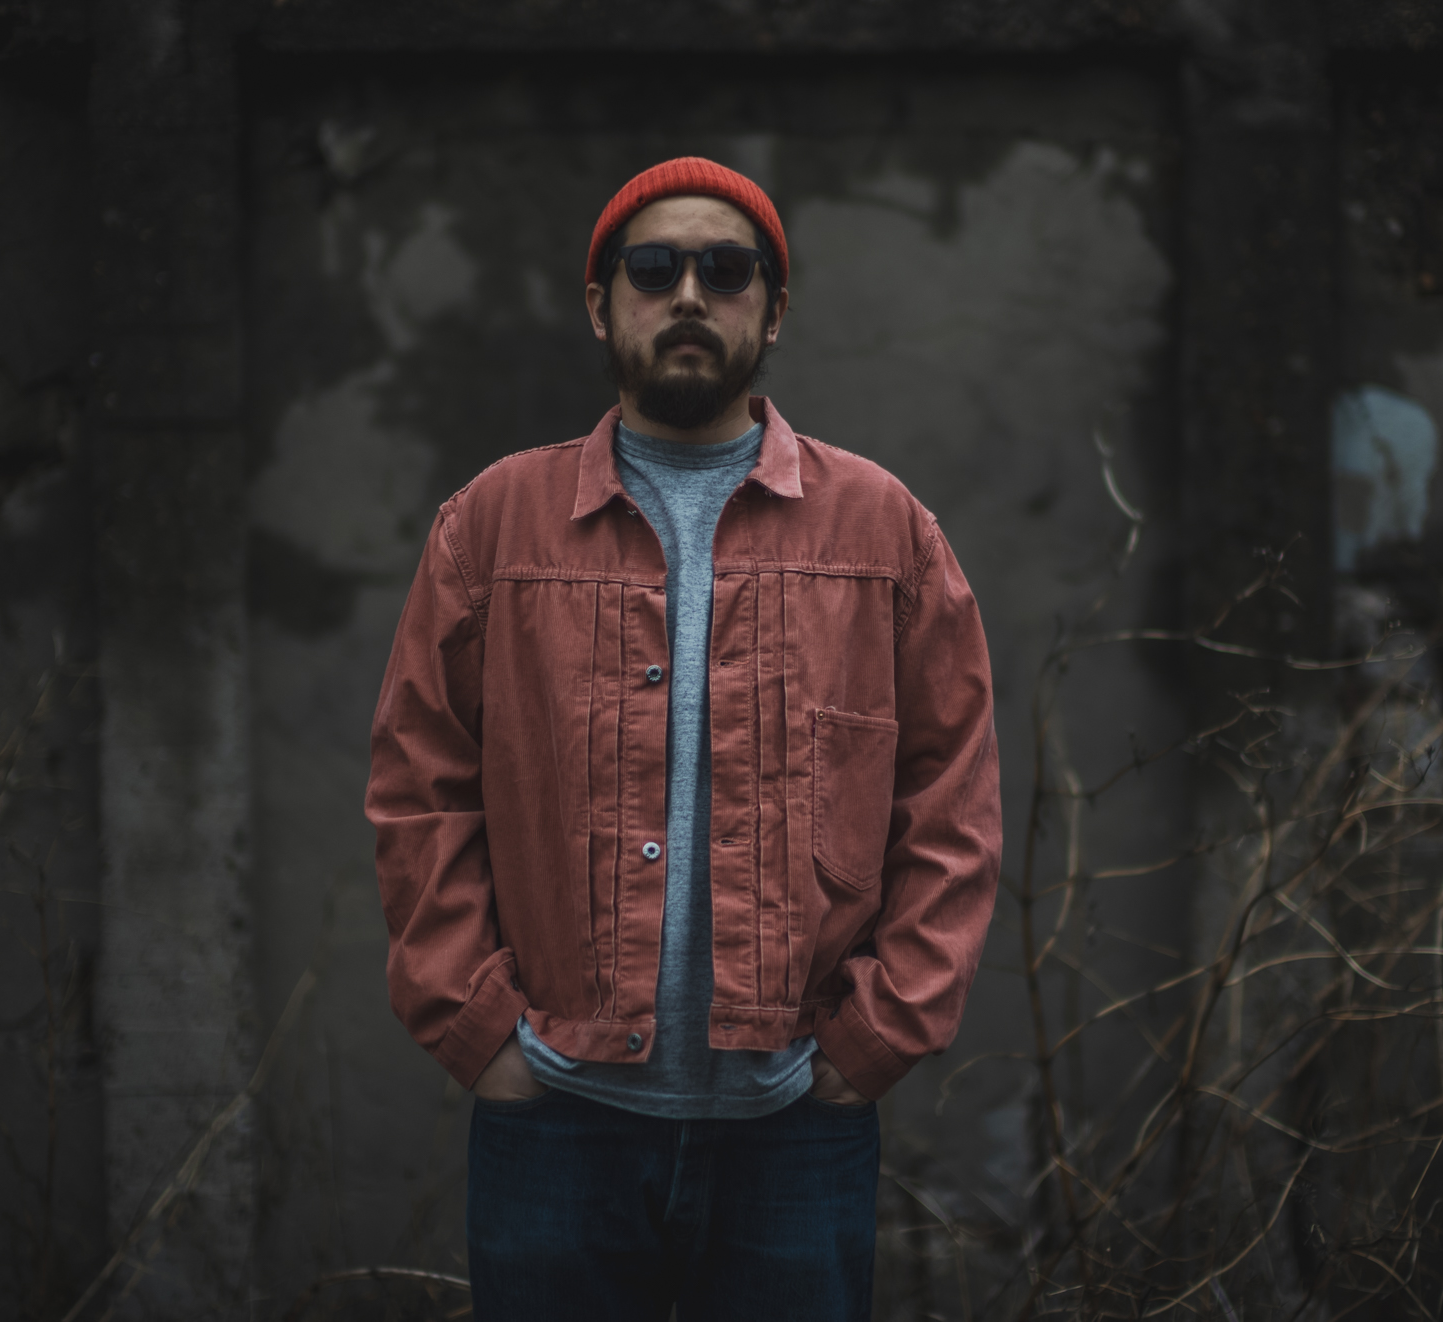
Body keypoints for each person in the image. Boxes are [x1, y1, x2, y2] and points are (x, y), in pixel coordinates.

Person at [365, 157, 1002, 1321]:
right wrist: (478, 1026)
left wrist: (873, 1038)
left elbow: (949, 802)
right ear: (600, 302)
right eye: (653, 268)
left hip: (793, 1129)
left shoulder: (883, 531)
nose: (690, 295)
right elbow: (419, 785)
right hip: (556, 1120)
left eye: (727, 269)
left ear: (773, 307)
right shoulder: (492, 525)